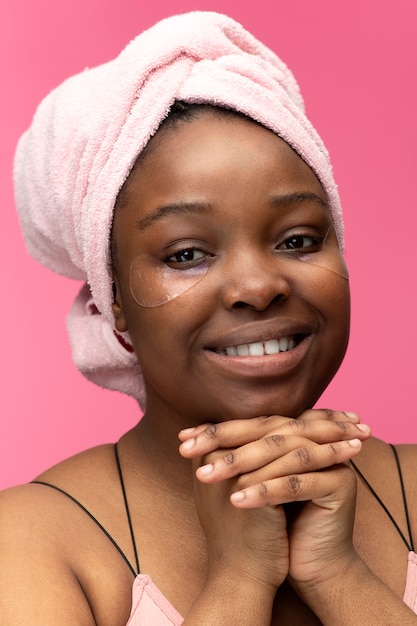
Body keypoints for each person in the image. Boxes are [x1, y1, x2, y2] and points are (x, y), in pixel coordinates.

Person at [2, 10, 416, 625]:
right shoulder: (35, 541)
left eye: (299, 239)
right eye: (186, 254)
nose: (257, 286)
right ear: (110, 295)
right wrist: (240, 579)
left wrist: (339, 576)